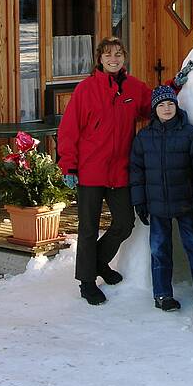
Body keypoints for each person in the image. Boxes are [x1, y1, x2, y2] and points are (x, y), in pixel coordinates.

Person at [58, 37, 152, 305]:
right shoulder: (86, 89)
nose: (114, 59)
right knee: (88, 228)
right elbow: (69, 130)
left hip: (120, 170)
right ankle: (87, 283)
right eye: (108, 54)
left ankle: (98, 262)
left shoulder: (134, 88)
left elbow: (155, 104)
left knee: (124, 223)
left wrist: (176, 86)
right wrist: (69, 164)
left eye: (119, 54)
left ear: (124, 58)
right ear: (99, 59)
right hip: (89, 171)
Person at [130, 83, 193, 312]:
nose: (166, 108)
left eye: (170, 104)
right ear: (154, 109)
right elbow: (137, 172)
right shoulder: (144, 138)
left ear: (176, 106)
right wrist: (140, 202)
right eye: (161, 105)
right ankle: (162, 294)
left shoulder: (190, 135)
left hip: (186, 205)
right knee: (159, 250)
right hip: (156, 206)